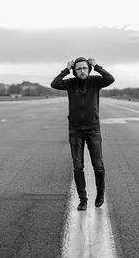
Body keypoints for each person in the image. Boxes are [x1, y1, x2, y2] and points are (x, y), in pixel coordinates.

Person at [51, 57, 115, 211]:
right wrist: (66, 69)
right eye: (78, 69)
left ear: (89, 69)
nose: (82, 71)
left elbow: (110, 79)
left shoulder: (95, 81)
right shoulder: (71, 84)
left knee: (98, 165)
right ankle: (83, 199)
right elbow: (55, 83)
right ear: (75, 71)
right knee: (78, 166)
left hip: (93, 129)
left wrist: (96, 66)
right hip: (75, 130)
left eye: (85, 68)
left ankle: (100, 195)